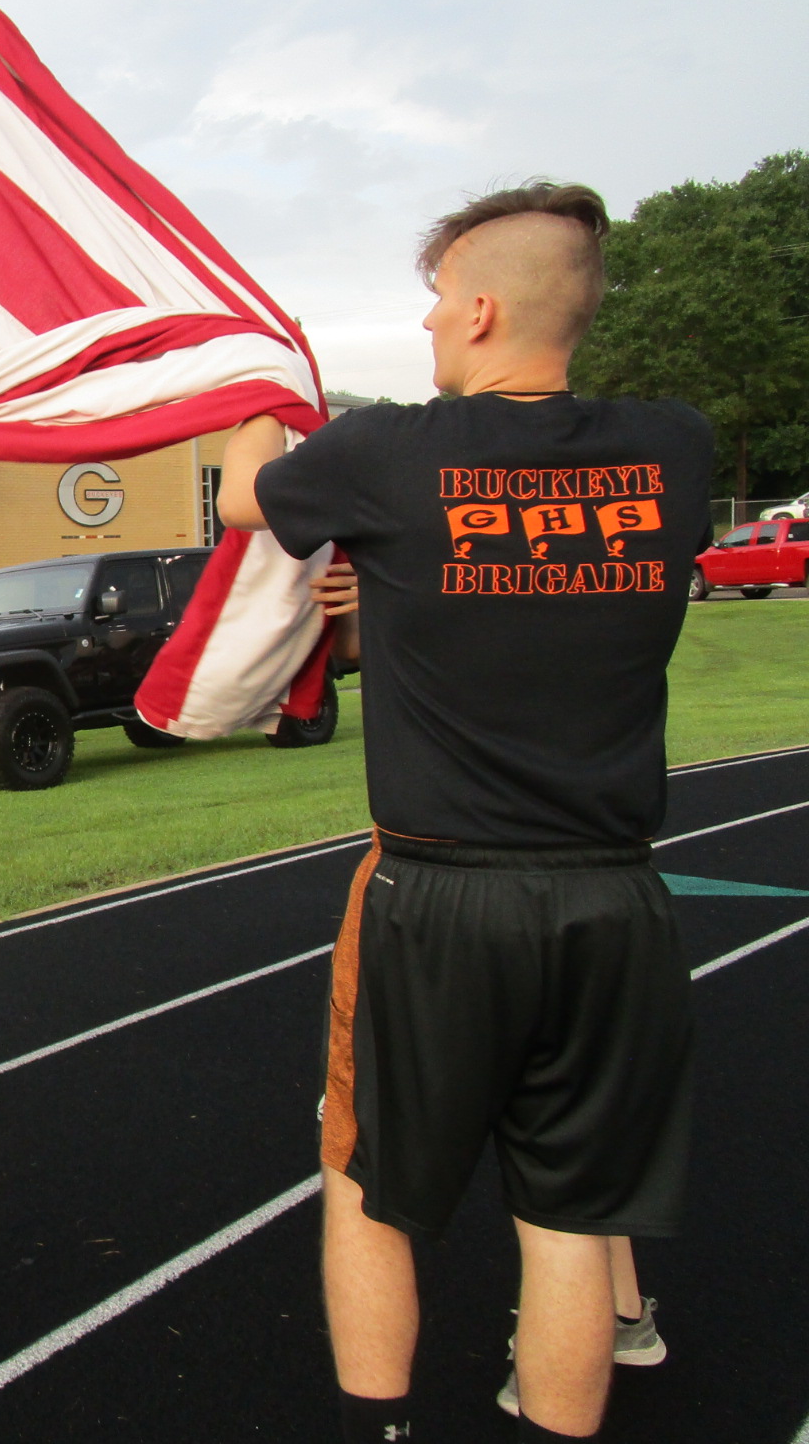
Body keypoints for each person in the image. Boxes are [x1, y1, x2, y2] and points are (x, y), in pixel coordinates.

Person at [217, 181, 711, 1444]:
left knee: (366, 1188)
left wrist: (246, 393)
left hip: (436, 898)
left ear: (482, 309)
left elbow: (242, 500)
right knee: (568, 1224)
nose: (429, 322)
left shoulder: (389, 452)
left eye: (438, 298)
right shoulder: (675, 449)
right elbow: (521, 582)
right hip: (613, 897)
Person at [314, 566, 671, 1421]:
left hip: (446, 878)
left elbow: (243, 503)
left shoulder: (408, 500)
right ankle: (623, 1316)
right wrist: (377, 612)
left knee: (364, 1174)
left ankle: (383, 1424)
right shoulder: (656, 492)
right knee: (572, 1190)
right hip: (603, 879)